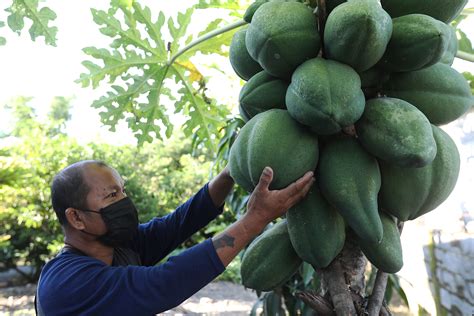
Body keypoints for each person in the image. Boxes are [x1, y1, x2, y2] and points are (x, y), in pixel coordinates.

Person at [36, 160, 314, 315]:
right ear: (76, 218)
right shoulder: (66, 283)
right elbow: (163, 284)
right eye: (111, 195)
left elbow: (178, 223)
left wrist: (231, 170)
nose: (125, 202)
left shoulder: (117, 247)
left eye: (123, 191)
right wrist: (254, 219)